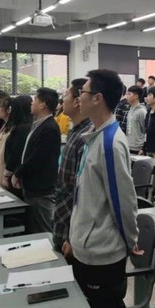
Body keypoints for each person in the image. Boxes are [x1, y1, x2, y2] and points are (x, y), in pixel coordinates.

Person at [63, 69, 140, 308]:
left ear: (97, 98)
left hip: (102, 252)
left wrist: (130, 240)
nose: (78, 99)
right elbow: (84, 197)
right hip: (86, 244)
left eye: (83, 93)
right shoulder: (94, 137)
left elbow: (123, 201)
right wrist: (73, 236)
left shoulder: (110, 143)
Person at [11, 88, 62, 233]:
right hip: (31, 186)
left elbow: (38, 158)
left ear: (43, 105)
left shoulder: (50, 128)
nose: (31, 103)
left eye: (35, 100)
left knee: (42, 230)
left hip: (41, 189)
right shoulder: (39, 124)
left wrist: (18, 173)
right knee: (33, 228)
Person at [53, 78, 92, 252]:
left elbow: (81, 191)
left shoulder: (86, 135)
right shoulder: (74, 131)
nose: (63, 99)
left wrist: (72, 234)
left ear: (77, 101)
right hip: (62, 213)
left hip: (71, 222)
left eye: (66, 95)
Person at [0, 97, 31, 190]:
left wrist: (7, 173)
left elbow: (16, 152)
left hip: (12, 173)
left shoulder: (22, 128)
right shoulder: (12, 125)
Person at [125, 86, 147, 154]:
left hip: (138, 147)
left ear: (136, 96)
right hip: (128, 144)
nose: (127, 96)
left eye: (129, 94)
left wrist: (143, 148)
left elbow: (145, 130)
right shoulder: (130, 109)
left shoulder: (142, 111)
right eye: (127, 94)